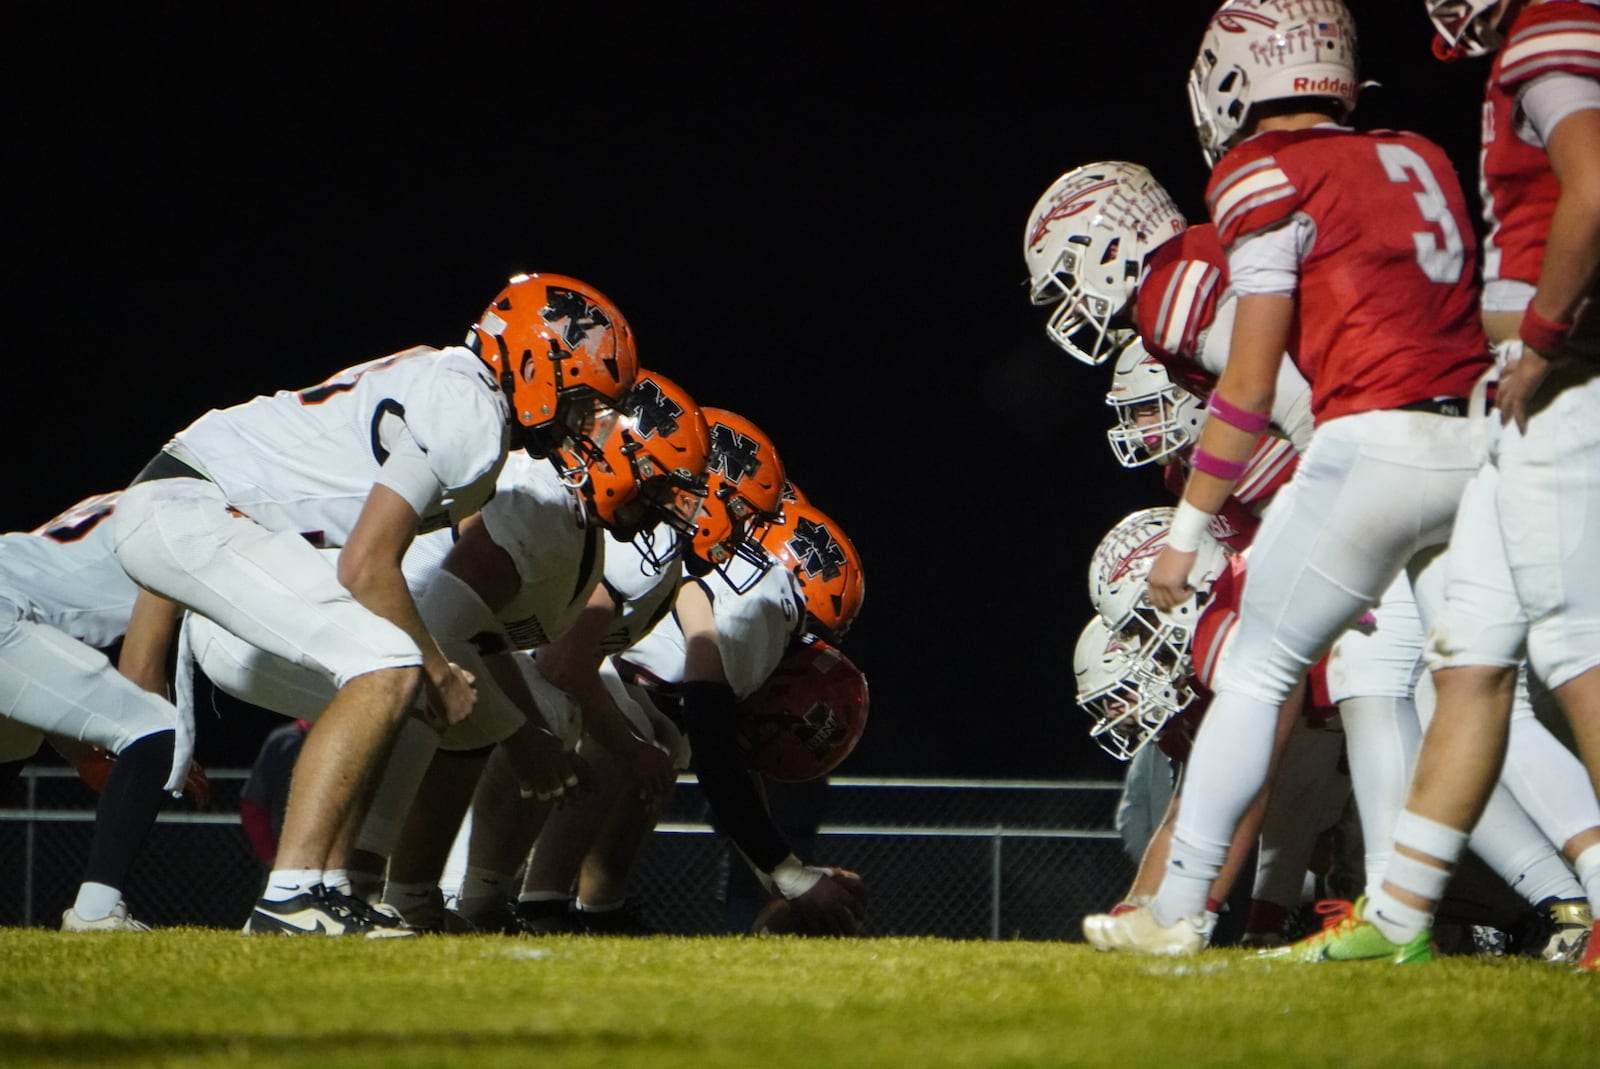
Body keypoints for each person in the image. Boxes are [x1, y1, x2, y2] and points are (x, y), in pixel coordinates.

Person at [1086, 0, 1494, 957]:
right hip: (1478, 442)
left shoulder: (1261, 172)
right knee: (1455, 682)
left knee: (1256, 668)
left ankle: (1175, 911)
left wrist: (1186, 532)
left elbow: (1251, 379)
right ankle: (1420, 916)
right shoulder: (1418, 154)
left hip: (1373, 443)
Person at [111, 272, 637, 936]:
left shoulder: (456, 387)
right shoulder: (470, 410)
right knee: (393, 662)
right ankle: (292, 894)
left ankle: (335, 886)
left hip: (207, 513)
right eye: (583, 398)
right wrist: (438, 670)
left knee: (398, 677)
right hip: (197, 509)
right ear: (535, 366)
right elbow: (366, 565)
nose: (584, 421)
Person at [1276, 0, 1600, 968]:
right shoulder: (1539, 37)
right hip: (1522, 395)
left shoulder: (1552, 27)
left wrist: (1542, 338)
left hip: (1560, 384)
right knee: (1470, 659)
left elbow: (1591, 189)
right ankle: (1399, 912)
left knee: (1576, 652)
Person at [0, 492, 192, 931]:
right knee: (159, 728)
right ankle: (96, 911)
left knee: (15, 738)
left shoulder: (131, 498)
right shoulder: (186, 512)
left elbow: (36, 665)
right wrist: (166, 752)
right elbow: (140, 672)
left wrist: (83, 753)